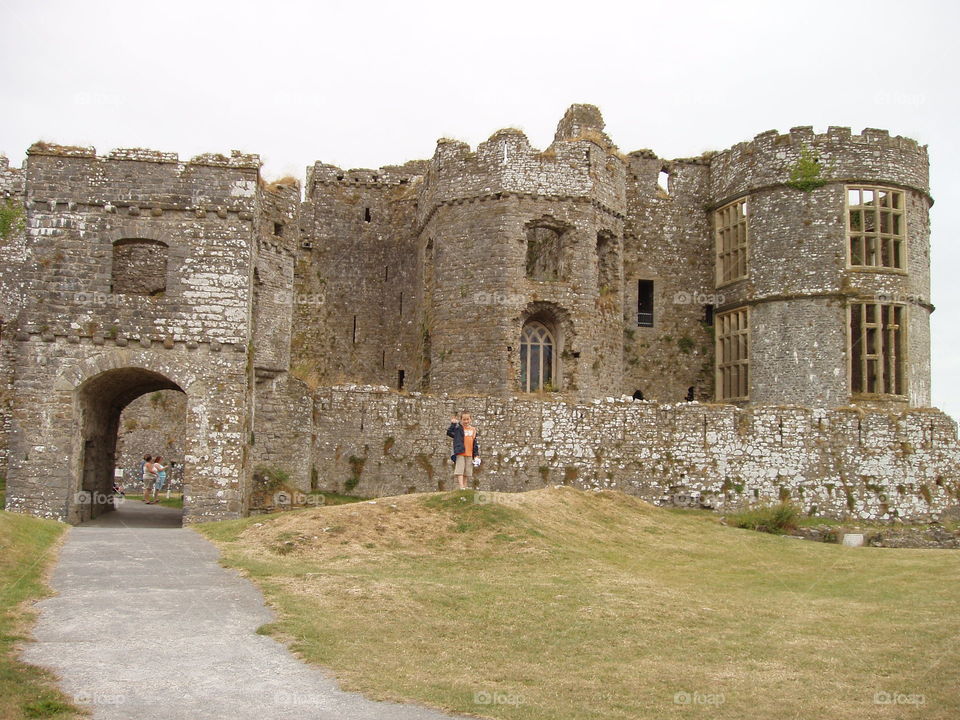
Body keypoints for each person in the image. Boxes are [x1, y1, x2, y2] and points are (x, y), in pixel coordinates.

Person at [446, 411, 480, 490]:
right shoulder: (458, 429)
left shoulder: (473, 430)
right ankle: (461, 486)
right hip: (460, 452)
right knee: (460, 470)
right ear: (461, 420)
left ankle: (465, 485)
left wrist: (476, 454)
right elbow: (449, 432)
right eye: (464, 419)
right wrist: (453, 424)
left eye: (467, 419)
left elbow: (475, 443)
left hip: (469, 453)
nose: (466, 421)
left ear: (471, 419)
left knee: (467, 471)